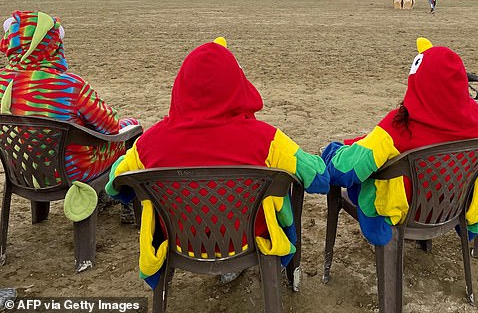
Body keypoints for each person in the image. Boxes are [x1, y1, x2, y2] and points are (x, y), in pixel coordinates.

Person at [106, 37, 329, 287]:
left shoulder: (150, 143)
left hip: (182, 242)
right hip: (246, 241)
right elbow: (318, 178)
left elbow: (115, 183)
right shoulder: (266, 139)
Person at [321, 38, 478, 246]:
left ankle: (378, 229)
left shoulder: (397, 126)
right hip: (451, 206)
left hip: (403, 212)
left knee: (337, 152)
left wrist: (331, 156)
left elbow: (347, 170)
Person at [0, 11, 140, 221]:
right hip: (72, 173)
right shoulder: (69, 86)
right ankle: (124, 200)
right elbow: (110, 128)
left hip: (22, 170)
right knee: (131, 128)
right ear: (53, 45)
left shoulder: (3, 82)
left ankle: (42, 214)